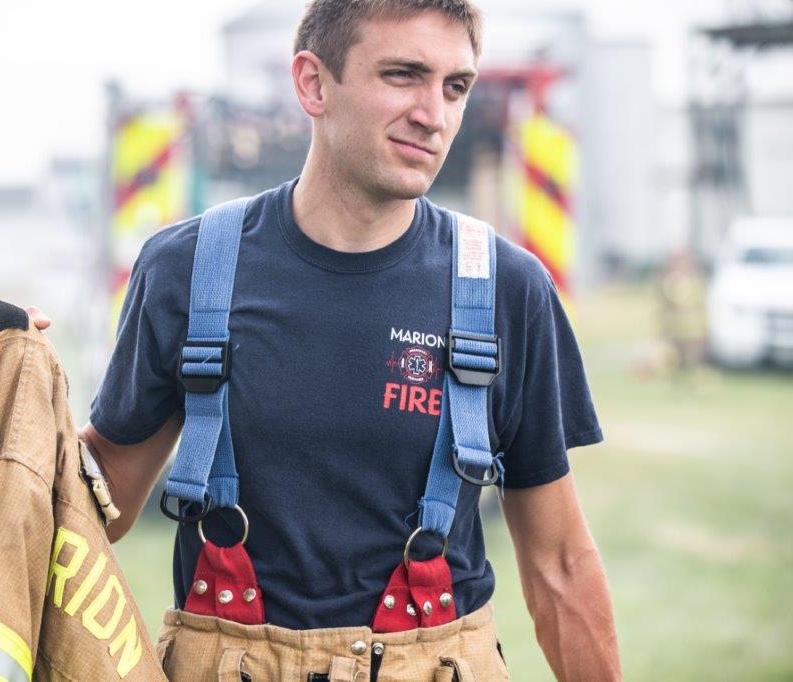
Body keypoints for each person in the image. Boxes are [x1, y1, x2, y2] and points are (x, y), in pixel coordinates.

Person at [31, 1, 621, 678]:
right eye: (404, 75)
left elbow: (560, 565)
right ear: (312, 83)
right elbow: (101, 506)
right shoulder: (188, 272)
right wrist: (19, 408)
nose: (435, 114)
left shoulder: (508, 291)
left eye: (456, 86)